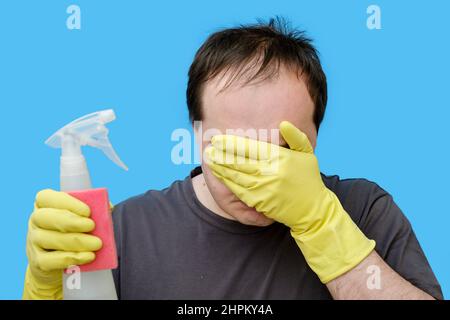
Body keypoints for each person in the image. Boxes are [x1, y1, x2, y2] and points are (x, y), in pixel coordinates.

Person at [23, 18, 443, 300]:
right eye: (233, 152)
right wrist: (47, 287)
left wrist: (322, 224)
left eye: (278, 151)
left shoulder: (364, 209)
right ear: (196, 131)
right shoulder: (127, 229)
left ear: (315, 136)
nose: (255, 181)